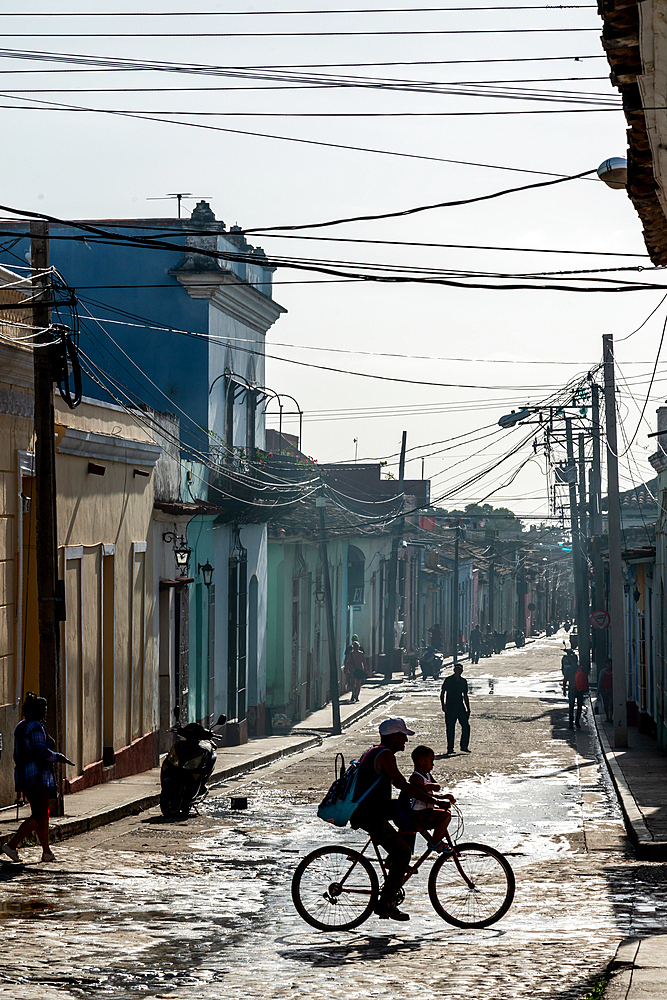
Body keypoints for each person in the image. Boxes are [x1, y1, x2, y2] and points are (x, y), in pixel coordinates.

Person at [350, 717, 440, 921]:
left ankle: (394, 864)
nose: (405, 742)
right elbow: (403, 785)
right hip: (369, 814)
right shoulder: (386, 755)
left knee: (408, 812)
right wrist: (432, 799)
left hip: (373, 808)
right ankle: (386, 903)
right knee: (403, 852)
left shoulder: (374, 750)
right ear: (394, 737)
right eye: (402, 737)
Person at [1, 692, 73, 864]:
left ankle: (46, 851)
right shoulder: (34, 727)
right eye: (43, 708)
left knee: (42, 815)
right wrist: (59, 757)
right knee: (40, 815)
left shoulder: (22, 726)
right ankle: (11, 846)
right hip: (37, 776)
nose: (45, 712)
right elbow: (41, 751)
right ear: (36, 710)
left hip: (25, 776)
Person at [395, 745, 456, 852]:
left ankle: (434, 841)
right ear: (422, 761)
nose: (432, 765)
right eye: (431, 761)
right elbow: (425, 796)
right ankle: (435, 842)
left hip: (426, 810)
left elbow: (436, 787)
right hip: (419, 812)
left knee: (441, 814)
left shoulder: (427, 775)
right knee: (446, 816)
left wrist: (444, 796)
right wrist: (438, 800)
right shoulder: (416, 777)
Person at [440, 664, 471, 754]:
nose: (459, 671)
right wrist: (443, 705)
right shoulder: (448, 680)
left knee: (466, 727)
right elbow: (442, 693)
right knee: (450, 728)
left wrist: (468, 708)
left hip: (460, 707)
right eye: (457, 669)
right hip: (450, 707)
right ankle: (450, 748)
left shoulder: (463, 681)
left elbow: (465, 695)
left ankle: (464, 746)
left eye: (460, 670)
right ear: (454, 670)